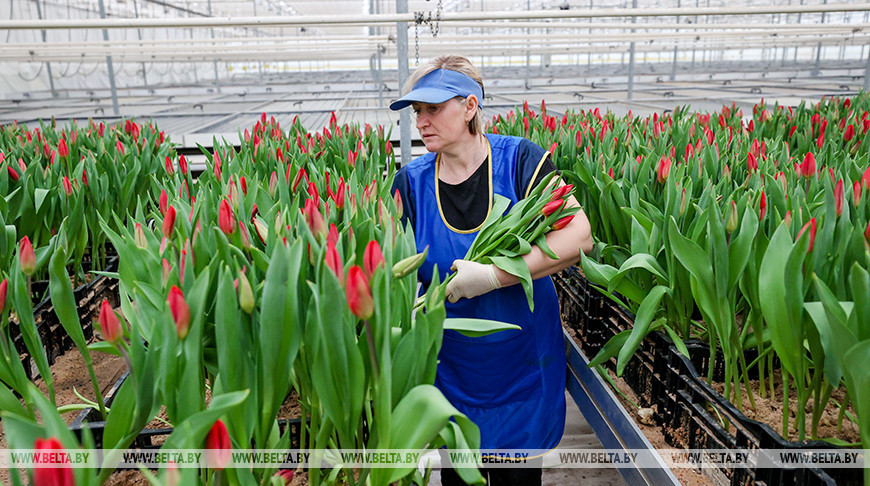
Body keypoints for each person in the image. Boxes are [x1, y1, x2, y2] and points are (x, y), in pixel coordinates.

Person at [389, 55, 593, 486]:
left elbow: (578, 236)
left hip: (519, 367)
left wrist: (493, 276)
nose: (421, 121)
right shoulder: (410, 183)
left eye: (433, 108)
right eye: (417, 111)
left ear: (470, 107)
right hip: (451, 371)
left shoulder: (521, 161)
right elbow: (387, 265)